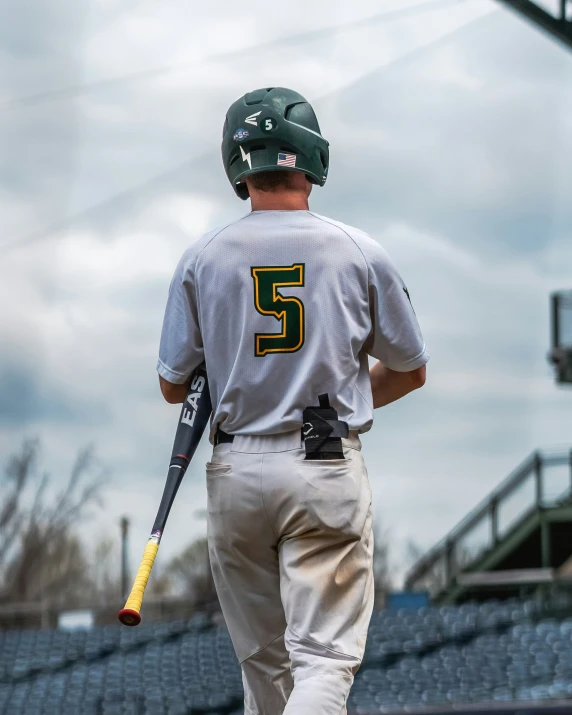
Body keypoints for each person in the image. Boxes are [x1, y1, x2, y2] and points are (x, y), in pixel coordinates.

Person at [157, 87, 429, 715]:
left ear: (237, 163)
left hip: (235, 470)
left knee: (265, 671)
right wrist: (348, 394)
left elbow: (175, 385)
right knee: (324, 662)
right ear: (312, 158)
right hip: (324, 462)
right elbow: (411, 370)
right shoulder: (360, 250)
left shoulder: (201, 257)